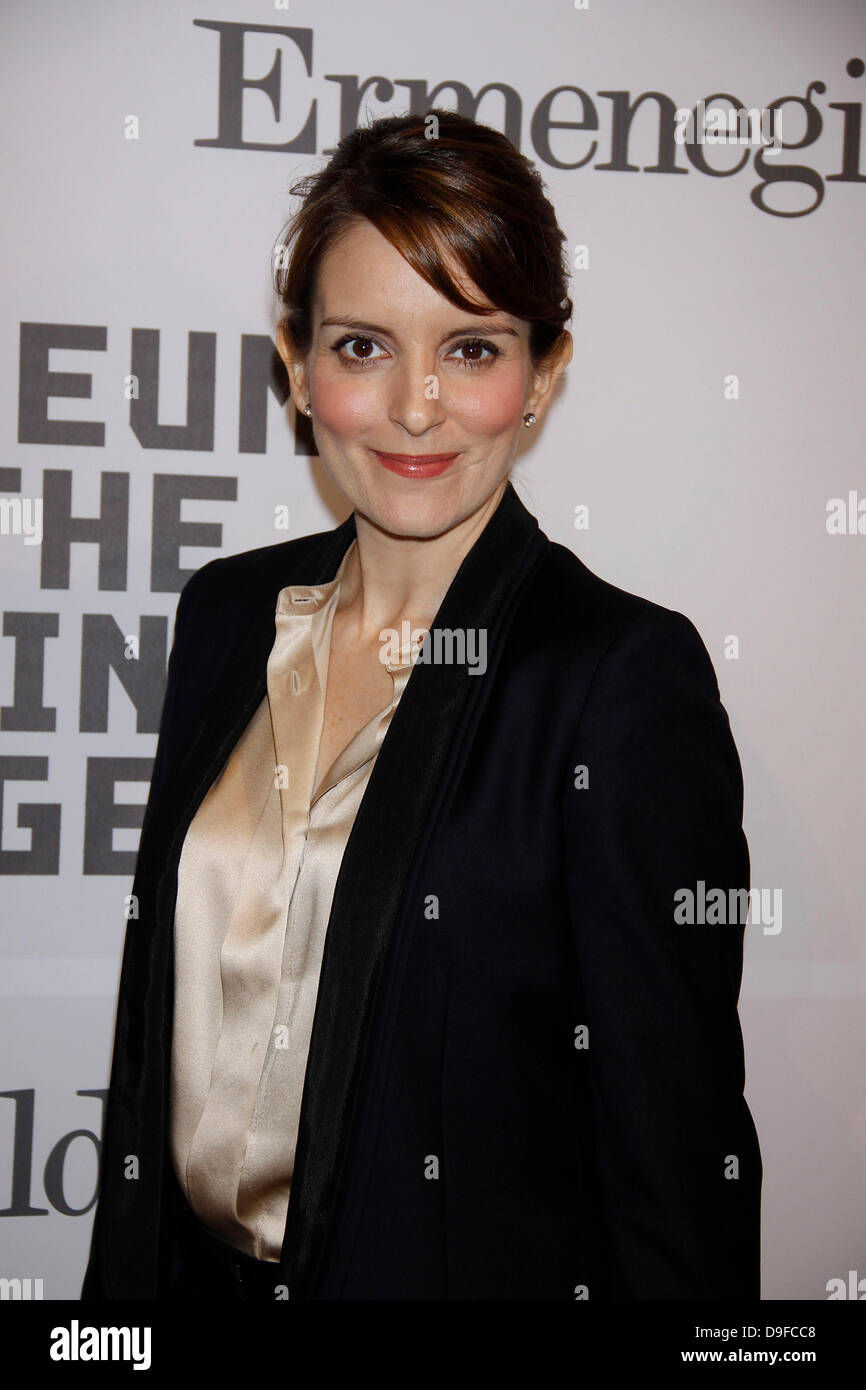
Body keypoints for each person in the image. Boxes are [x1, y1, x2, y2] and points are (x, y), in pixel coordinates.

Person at [81, 108, 761, 1301]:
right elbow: (153, 1054)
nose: (412, 406)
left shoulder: (616, 681)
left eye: (470, 348)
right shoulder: (229, 615)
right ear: (293, 363)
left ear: (542, 372)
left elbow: (673, 1161)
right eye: (360, 347)